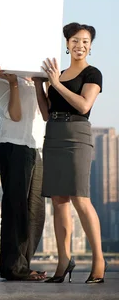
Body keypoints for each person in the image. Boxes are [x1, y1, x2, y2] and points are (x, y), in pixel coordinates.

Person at [35, 22, 106, 284]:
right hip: (53, 134)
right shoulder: (58, 73)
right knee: (58, 201)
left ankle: (99, 259)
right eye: (75, 40)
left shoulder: (92, 74)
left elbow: (84, 104)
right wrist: (40, 86)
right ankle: (64, 260)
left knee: (80, 198)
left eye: (86, 41)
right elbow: (45, 113)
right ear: (66, 44)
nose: (80, 45)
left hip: (77, 135)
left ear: (90, 46)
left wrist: (56, 83)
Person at [0, 72, 46, 281]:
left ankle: (23, 264)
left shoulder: (40, 77)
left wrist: (45, 81)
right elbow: (15, 114)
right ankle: (13, 268)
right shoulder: (3, 76)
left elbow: (47, 111)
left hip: (35, 146)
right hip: (11, 143)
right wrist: (14, 82)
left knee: (36, 211)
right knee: (17, 209)